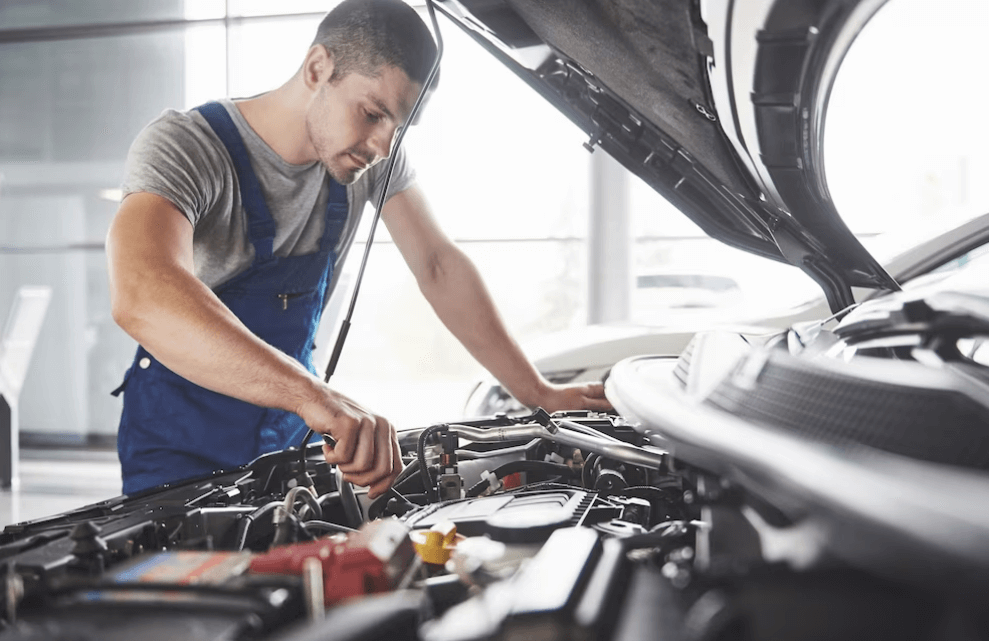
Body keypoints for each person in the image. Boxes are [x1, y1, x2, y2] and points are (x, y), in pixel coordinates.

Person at [106, 0, 611, 499]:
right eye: (372, 114)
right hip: (177, 445)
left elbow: (438, 266)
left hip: (284, 440)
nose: (382, 148)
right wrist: (313, 396)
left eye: (398, 128)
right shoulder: (187, 147)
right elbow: (143, 293)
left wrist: (538, 394)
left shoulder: (365, 161)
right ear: (317, 67)